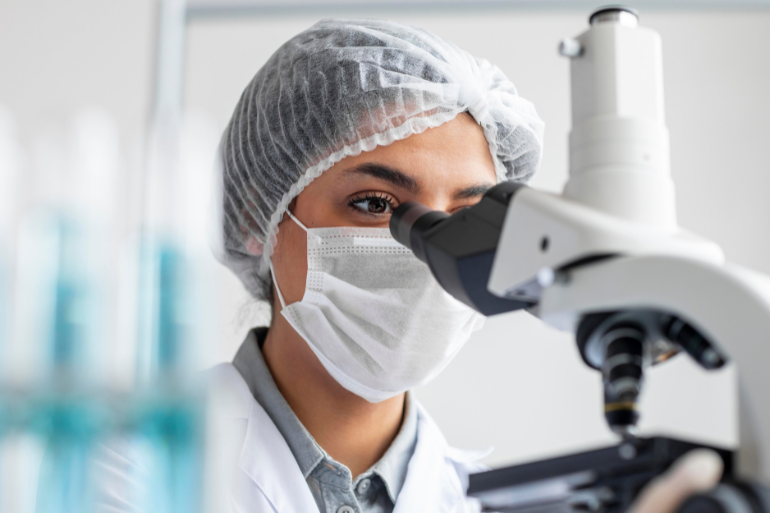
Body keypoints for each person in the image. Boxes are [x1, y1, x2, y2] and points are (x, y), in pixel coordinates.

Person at [203, 18, 722, 513]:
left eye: (466, 219)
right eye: (376, 203)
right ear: (256, 215)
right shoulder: (136, 464)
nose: (429, 251)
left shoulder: (481, 500)